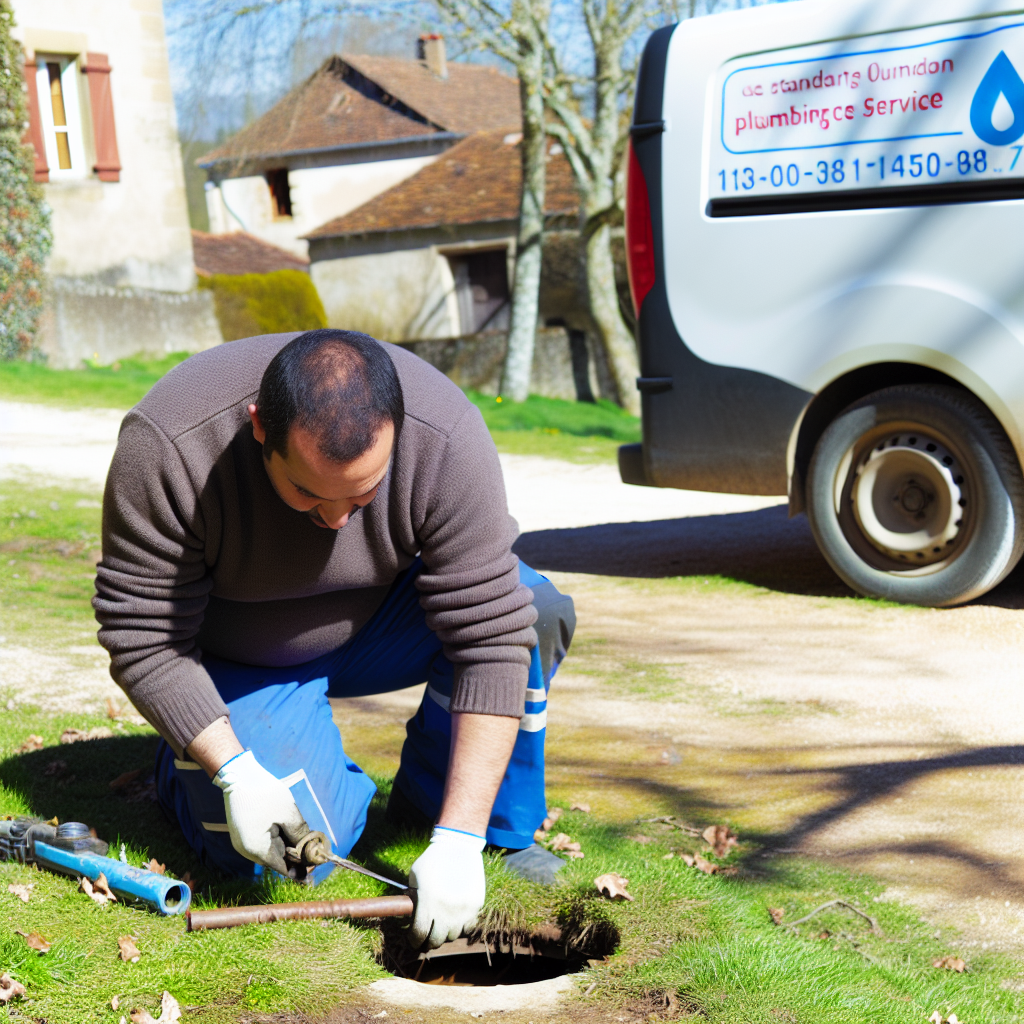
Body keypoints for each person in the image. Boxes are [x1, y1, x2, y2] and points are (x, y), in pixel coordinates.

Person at [93, 329, 575, 949]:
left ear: (398, 431)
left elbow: (490, 635)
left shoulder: (445, 432)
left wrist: (460, 838)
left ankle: (470, 821)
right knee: (295, 856)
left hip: (378, 626)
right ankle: (185, 760)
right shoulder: (170, 445)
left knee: (533, 610)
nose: (338, 520)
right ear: (260, 427)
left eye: (363, 493)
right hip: (241, 654)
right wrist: (236, 772)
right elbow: (142, 631)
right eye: (309, 493)